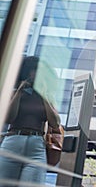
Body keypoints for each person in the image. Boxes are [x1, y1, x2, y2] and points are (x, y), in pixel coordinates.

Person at [0, 56, 60, 186]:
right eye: (31, 72)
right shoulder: (14, 93)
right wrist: (19, 92)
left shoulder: (48, 96)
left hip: (36, 145)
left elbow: (55, 123)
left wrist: (44, 96)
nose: (33, 76)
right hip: (12, 141)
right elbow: (9, 118)